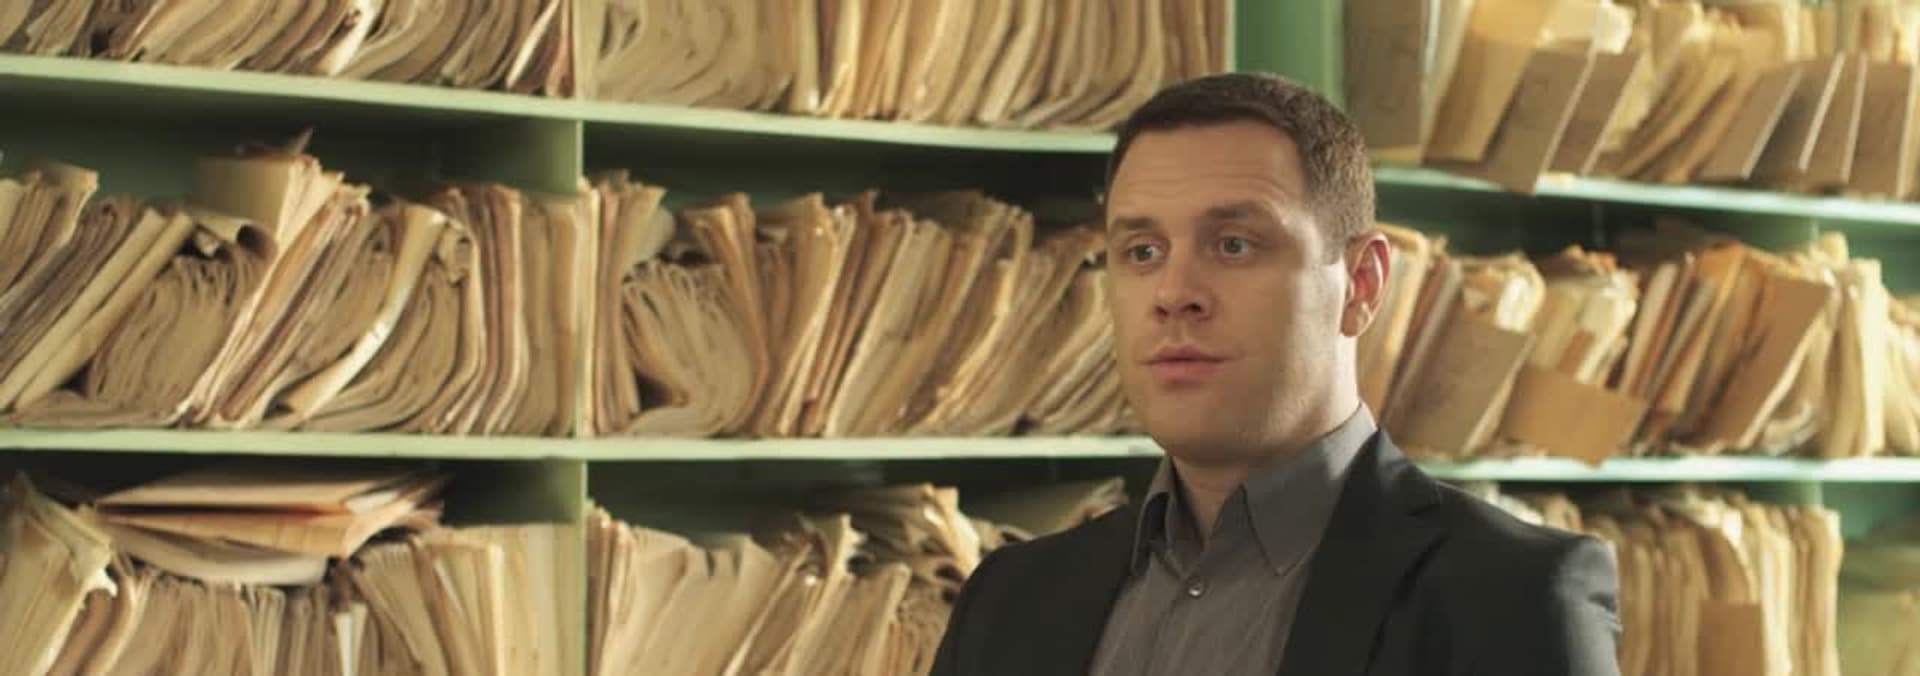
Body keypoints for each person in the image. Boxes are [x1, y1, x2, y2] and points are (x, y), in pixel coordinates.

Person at [928, 72, 1622, 676]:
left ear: (1361, 284)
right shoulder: (1009, 598)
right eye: (1141, 251)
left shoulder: (1508, 598)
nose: (1174, 292)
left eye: (1234, 244)